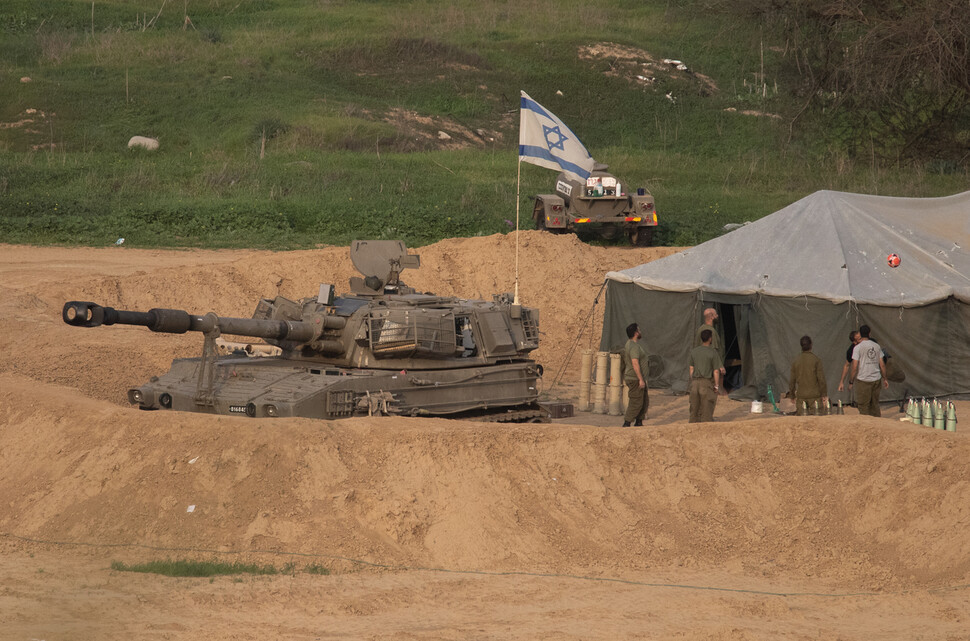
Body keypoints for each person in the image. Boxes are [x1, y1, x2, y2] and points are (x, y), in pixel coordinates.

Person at [850, 324, 888, 417]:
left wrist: (851, 381)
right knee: (875, 404)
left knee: (863, 406)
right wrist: (885, 378)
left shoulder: (857, 348)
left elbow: (854, 367)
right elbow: (882, 364)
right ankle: (877, 425)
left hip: (863, 380)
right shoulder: (876, 346)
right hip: (876, 379)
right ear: (869, 333)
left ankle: (866, 427)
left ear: (860, 334)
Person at [688, 328, 722, 423]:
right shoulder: (712, 352)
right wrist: (716, 385)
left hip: (695, 382)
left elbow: (691, 368)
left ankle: (692, 426)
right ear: (710, 339)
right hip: (706, 383)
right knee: (707, 406)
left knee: (694, 407)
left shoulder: (694, 351)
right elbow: (716, 371)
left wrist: (693, 381)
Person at [788, 335, 828, 415]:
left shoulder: (796, 361)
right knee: (816, 419)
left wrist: (792, 395)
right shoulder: (816, 360)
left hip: (801, 396)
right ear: (811, 345)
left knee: (801, 421)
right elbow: (821, 379)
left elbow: (792, 381)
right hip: (815, 396)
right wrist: (824, 394)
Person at [622, 322, 648, 427]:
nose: (640, 331)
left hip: (636, 378)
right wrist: (640, 379)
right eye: (639, 330)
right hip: (635, 378)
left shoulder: (630, 344)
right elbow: (635, 362)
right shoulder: (633, 346)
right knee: (636, 402)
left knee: (643, 401)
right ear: (636, 333)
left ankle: (639, 422)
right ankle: (627, 423)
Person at [694, 306, 726, 389]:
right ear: (711, 316)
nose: (717, 316)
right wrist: (720, 365)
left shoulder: (700, 329)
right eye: (716, 314)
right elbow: (714, 350)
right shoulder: (710, 331)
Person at [836, 330, 861, 398]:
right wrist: (842, 382)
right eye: (859, 339)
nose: (862, 340)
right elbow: (847, 366)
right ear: (854, 342)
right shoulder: (851, 350)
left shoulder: (869, 342)